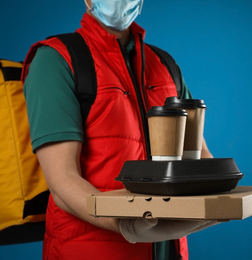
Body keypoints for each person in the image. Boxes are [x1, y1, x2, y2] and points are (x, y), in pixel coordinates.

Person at [21, 0, 217, 259]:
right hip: (91, 250)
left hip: (168, 249)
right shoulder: (56, 60)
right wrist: (126, 224)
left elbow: (198, 154)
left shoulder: (164, 65)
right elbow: (62, 183)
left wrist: (216, 199)